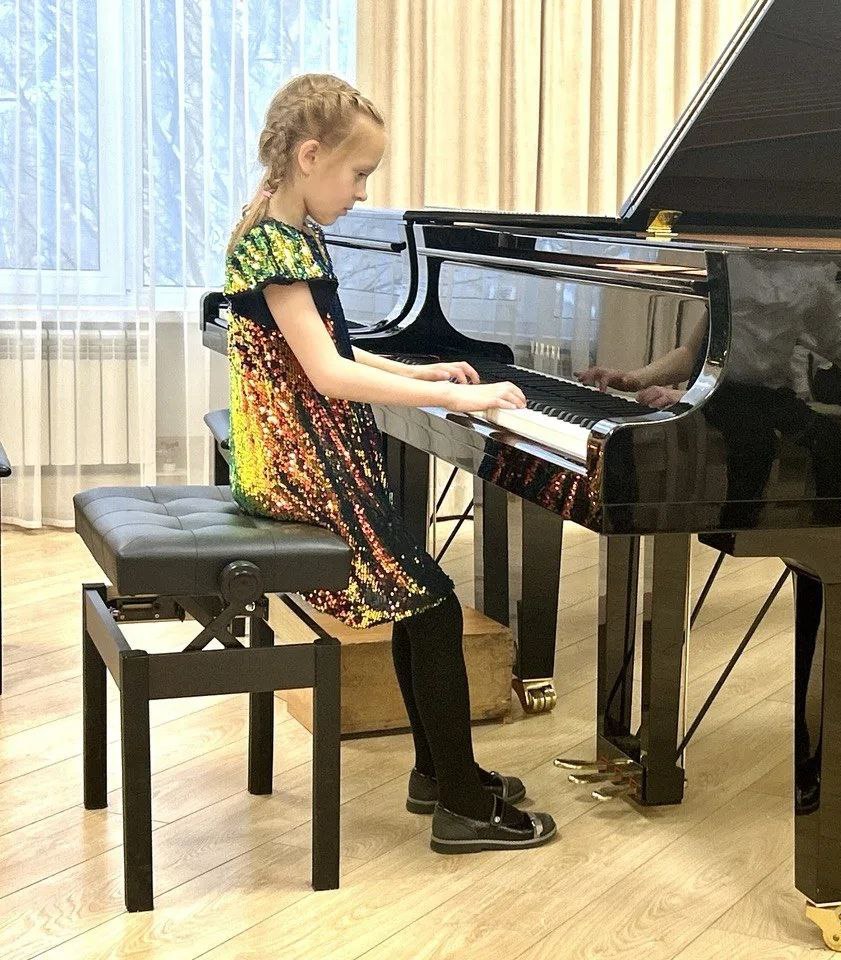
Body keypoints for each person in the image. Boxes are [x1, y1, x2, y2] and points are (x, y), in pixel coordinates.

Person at [223, 73, 555, 853]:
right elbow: (329, 376)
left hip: (299, 453)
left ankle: (438, 775)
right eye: (358, 173)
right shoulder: (276, 247)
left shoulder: (281, 230)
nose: (362, 192)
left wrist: (419, 372)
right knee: (433, 606)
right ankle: (461, 803)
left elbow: (332, 349)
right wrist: (460, 399)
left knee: (421, 601)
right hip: (298, 467)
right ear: (310, 156)